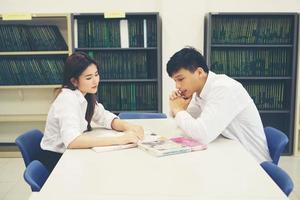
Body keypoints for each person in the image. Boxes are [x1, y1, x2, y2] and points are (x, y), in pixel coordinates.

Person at [167, 47, 271, 163]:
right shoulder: (200, 92)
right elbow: (187, 127)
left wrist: (178, 110)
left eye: (180, 79)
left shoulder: (223, 89)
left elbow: (202, 135)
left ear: (199, 72)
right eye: (175, 81)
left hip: (255, 164)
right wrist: (181, 109)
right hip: (234, 156)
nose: (177, 86)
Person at [41, 52, 144, 154]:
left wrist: (129, 127)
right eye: (89, 78)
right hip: (57, 158)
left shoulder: (85, 94)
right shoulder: (67, 98)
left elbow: (104, 117)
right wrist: (119, 139)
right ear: (74, 81)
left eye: (96, 74)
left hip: (70, 154)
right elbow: (72, 141)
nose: (95, 81)